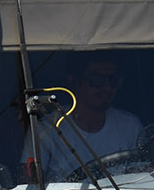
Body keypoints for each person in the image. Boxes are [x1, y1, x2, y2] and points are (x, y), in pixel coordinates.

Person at [29, 53, 143, 181]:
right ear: (73, 80)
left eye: (113, 81)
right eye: (96, 81)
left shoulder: (130, 125)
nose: (107, 88)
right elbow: (30, 186)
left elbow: (142, 178)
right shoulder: (46, 129)